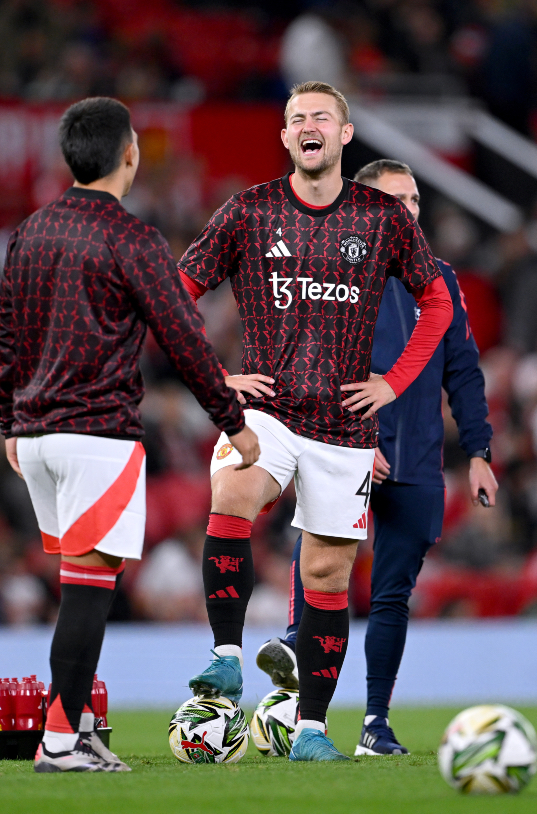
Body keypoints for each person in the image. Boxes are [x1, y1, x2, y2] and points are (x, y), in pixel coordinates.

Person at [177, 82, 453, 762]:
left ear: (345, 134)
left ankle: (311, 730)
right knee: (233, 493)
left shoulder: (383, 218)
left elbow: (438, 303)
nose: (308, 126)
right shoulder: (250, 210)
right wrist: (217, 377)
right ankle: (226, 656)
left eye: (320, 117)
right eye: (296, 118)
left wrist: (393, 382)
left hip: (344, 426)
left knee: (328, 577)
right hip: (268, 409)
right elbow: (175, 290)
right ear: (285, 138)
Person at [0, 97, 258, 773]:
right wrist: (234, 421)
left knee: (79, 581)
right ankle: (58, 742)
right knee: (89, 587)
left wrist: (7, 423)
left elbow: (2, 340)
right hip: (97, 435)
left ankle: (73, 726)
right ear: (128, 154)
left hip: (38, 437)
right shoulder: (131, 239)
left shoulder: (29, 232)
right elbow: (184, 339)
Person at [252, 159, 497, 756]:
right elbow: (309, 360)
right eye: (396, 199)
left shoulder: (440, 280)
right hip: (347, 447)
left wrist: (480, 450)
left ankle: (375, 723)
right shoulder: (334, 270)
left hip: (416, 462)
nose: (409, 210)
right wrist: (358, 438)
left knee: (392, 598)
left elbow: (462, 370)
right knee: (321, 558)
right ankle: (296, 665)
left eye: (414, 199)